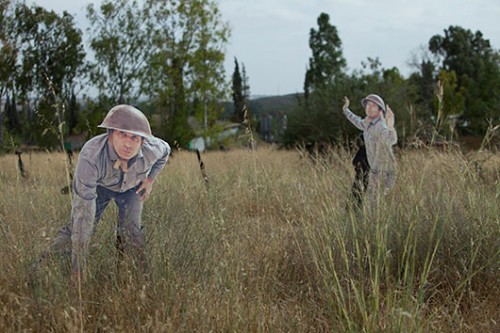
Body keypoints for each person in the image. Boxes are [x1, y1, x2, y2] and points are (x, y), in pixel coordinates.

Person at [46, 104, 171, 284]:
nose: (128, 143)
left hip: (131, 188)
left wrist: (150, 180)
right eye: (122, 134)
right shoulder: (91, 156)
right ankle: (45, 268)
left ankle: (140, 280)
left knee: (132, 232)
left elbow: (166, 151)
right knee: (78, 226)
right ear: (110, 134)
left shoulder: (152, 149)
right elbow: (84, 215)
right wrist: (78, 268)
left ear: (143, 141)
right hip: (100, 187)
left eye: (135, 138)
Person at [342, 94, 397, 210]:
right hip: (376, 170)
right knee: (371, 203)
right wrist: (346, 109)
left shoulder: (380, 125)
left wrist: (390, 127)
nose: (369, 107)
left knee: (373, 204)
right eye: (368, 105)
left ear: (380, 110)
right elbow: (356, 120)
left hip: (385, 171)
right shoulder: (367, 124)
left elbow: (390, 140)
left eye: (373, 105)